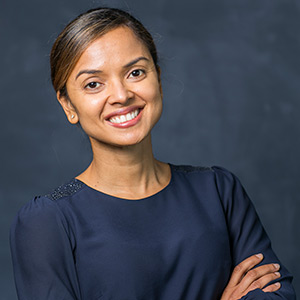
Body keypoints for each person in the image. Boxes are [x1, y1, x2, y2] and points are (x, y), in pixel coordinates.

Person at [10, 7, 295, 300]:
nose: (121, 95)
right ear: (68, 105)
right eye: (93, 84)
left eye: (135, 72)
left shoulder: (219, 191)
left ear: (157, 78)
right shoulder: (47, 222)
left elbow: (277, 293)